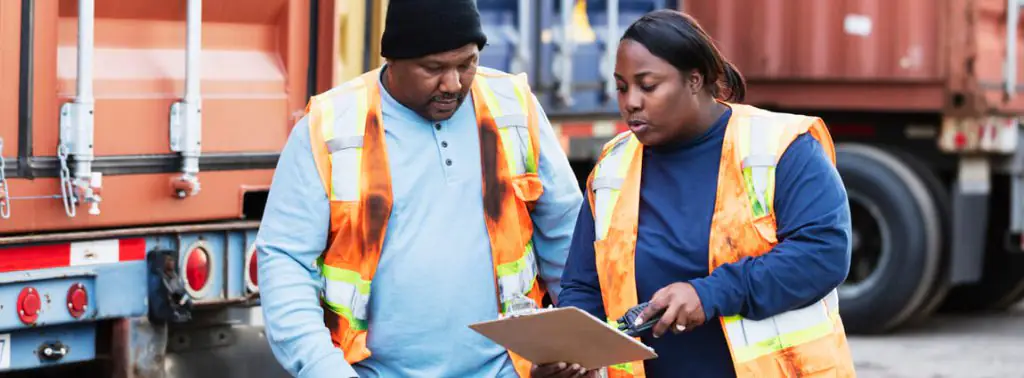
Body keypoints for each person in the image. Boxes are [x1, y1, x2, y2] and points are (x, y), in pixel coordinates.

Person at [254, 0, 583, 376]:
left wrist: (576, 346)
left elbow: (565, 232)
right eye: (435, 68)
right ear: (393, 59)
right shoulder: (329, 127)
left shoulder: (512, 107)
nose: (454, 84)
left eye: (467, 63)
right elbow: (285, 262)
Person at [533, 9, 856, 378]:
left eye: (647, 85)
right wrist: (571, 353)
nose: (630, 102)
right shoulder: (613, 167)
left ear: (694, 81)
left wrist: (709, 293)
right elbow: (583, 284)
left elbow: (823, 253)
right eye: (622, 87)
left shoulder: (780, 147)